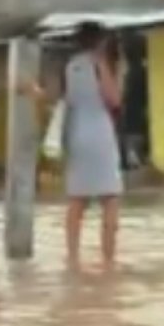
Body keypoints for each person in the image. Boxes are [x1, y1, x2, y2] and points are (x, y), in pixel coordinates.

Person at [32, 22, 124, 266]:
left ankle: (72, 257)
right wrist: (104, 64)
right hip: (100, 135)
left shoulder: (68, 66)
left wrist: (29, 90)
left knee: (77, 200)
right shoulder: (100, 63)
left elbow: (53, 97)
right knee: (110, 199)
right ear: (100, 41)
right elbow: (114, 99)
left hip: (75, 135)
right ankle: (108, 260)